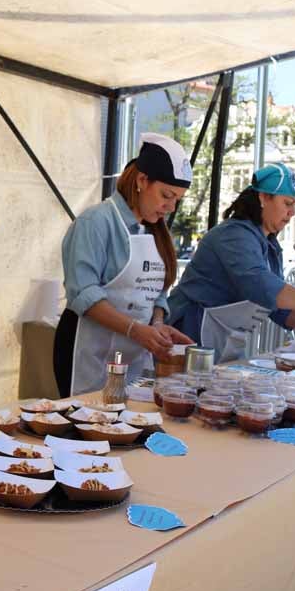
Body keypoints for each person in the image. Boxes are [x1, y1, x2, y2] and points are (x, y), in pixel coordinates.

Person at [53, 133, 194, 396]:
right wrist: (134, 329)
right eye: (166, 195)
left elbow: (156, 293)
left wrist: (156, 325)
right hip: (87, 350)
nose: (170, 207)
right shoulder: (95, 223)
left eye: (177, 199)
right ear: (142, 181)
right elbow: (83, 293)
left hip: (132, 356)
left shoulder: (156, 232)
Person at [167, 163, 295, 363]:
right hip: (192, 331)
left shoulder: (269, 244)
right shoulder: (233, 235)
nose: (293, 212)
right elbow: (262, 287)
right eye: (287, 203)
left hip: (227, 339)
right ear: (263, 198)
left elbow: (277, 308)